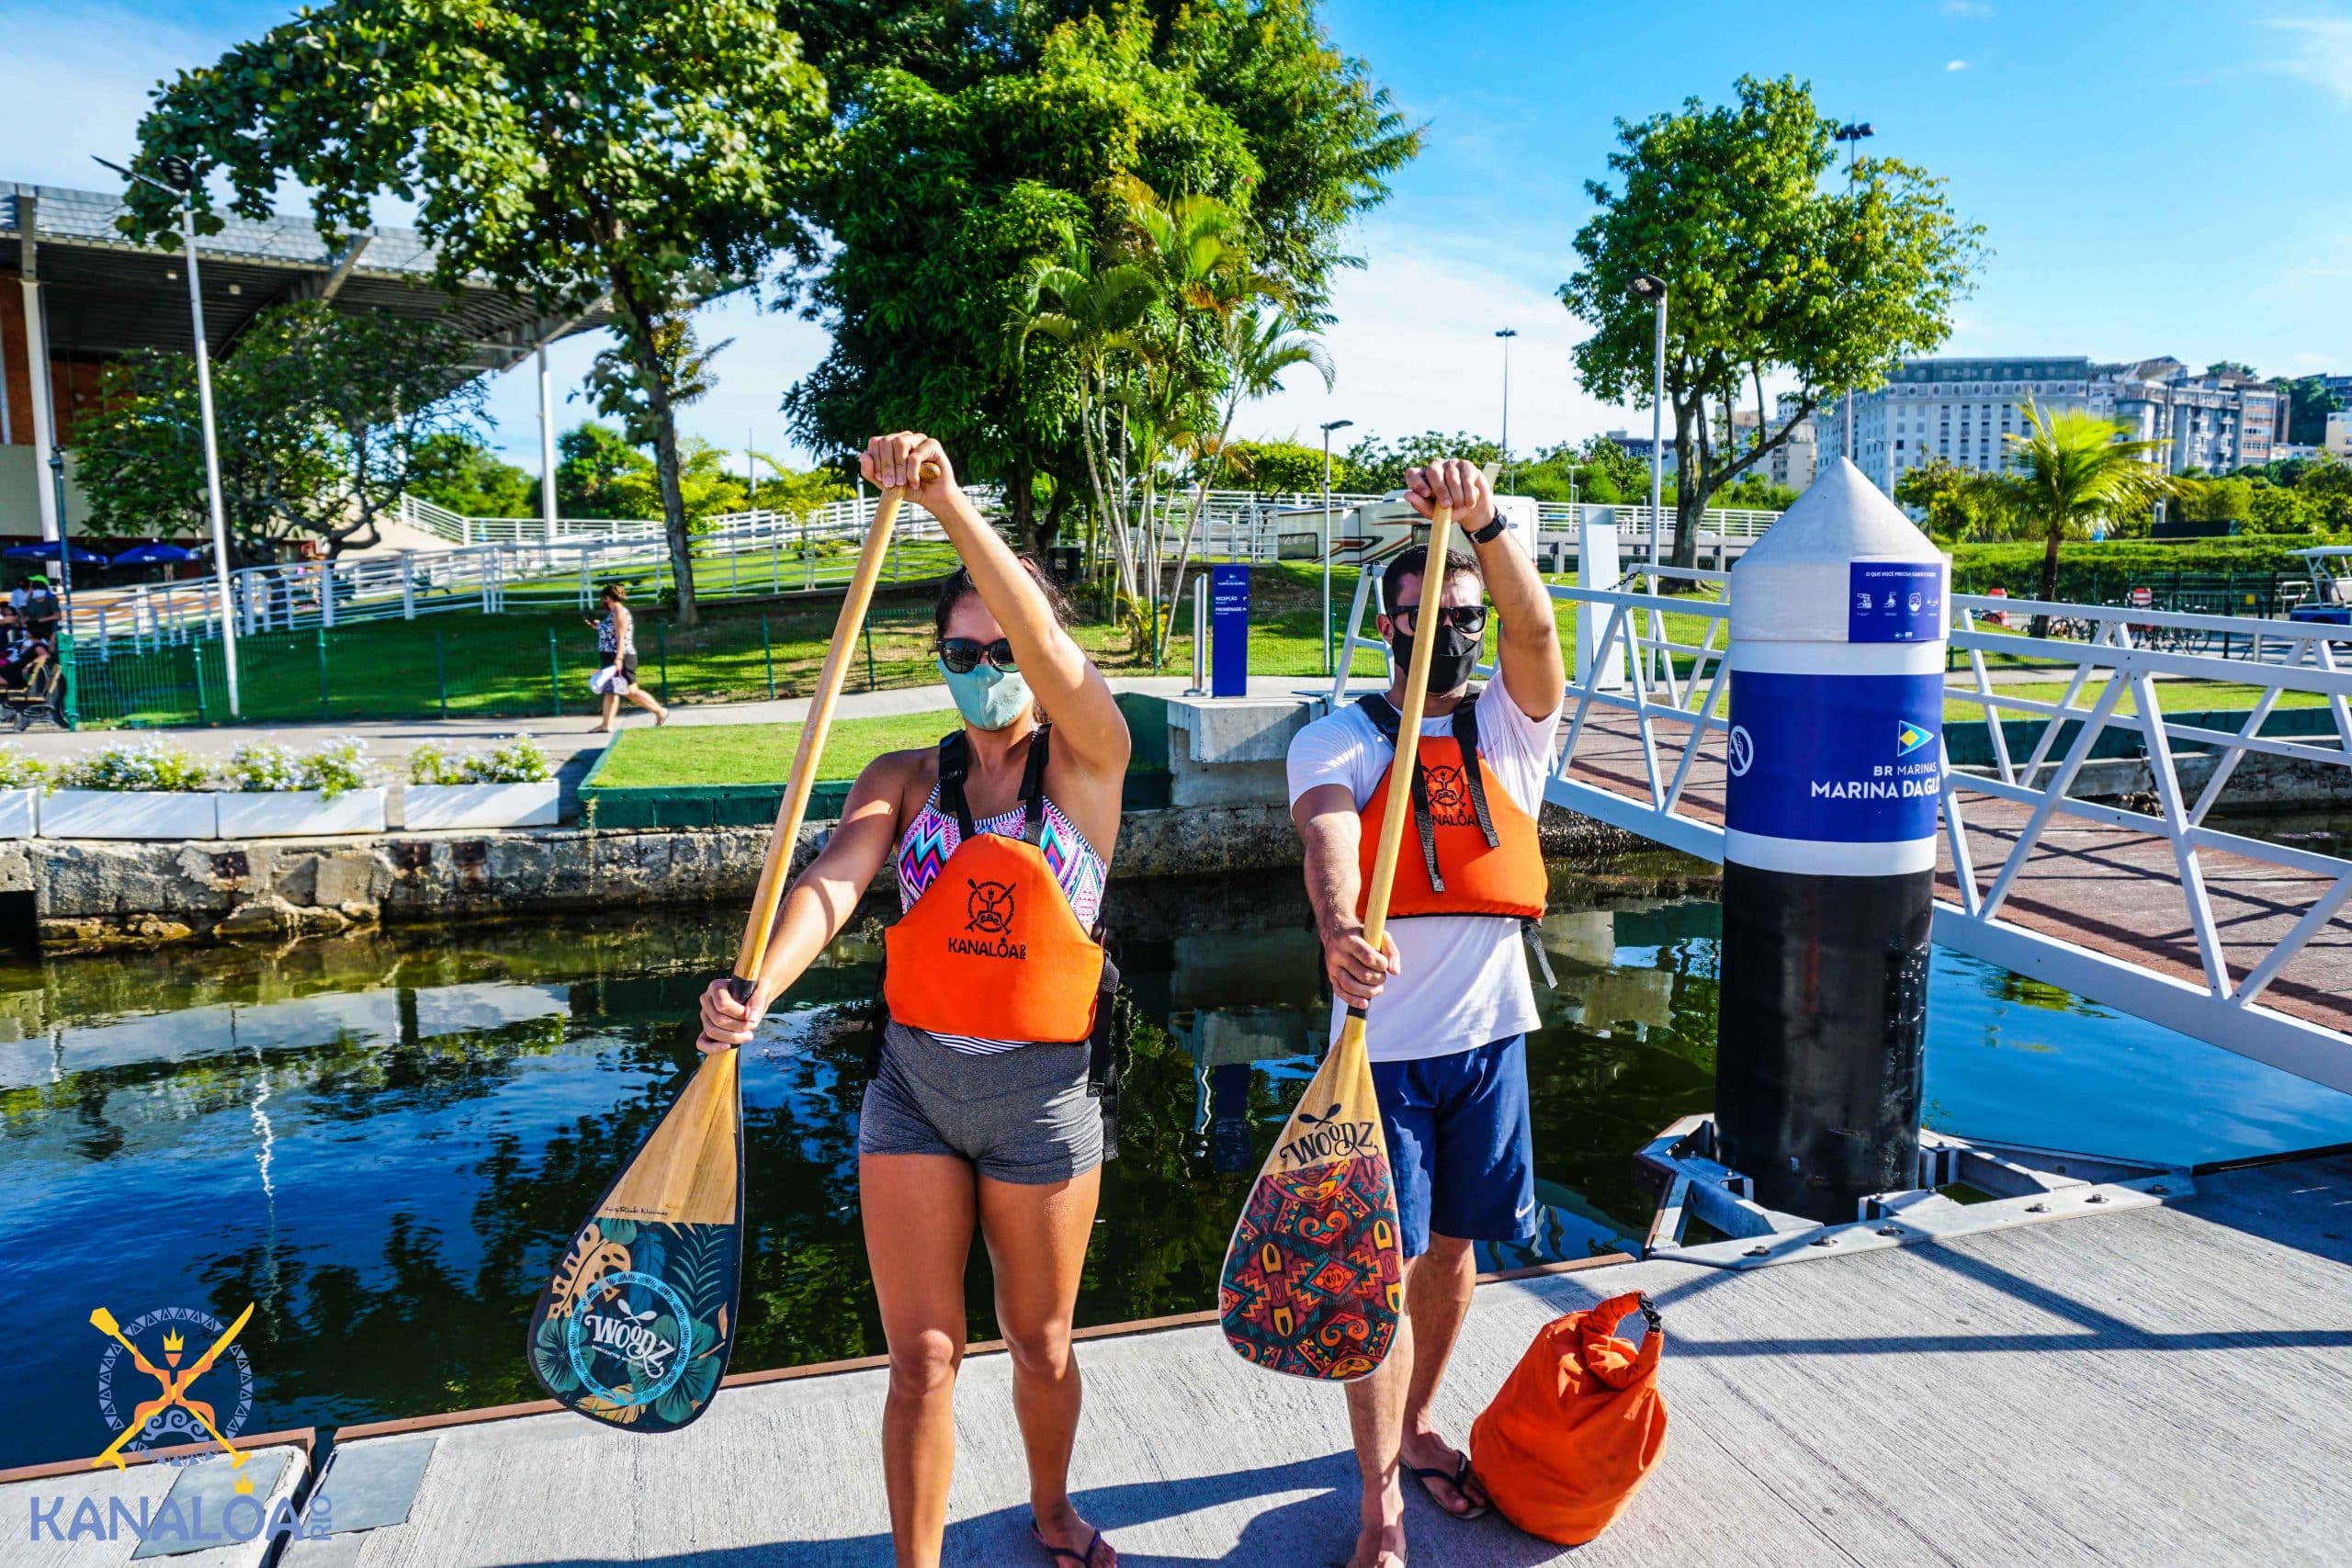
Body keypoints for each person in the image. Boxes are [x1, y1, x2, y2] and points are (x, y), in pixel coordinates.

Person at [697, 432, 1132, 1568]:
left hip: (1043, 1101)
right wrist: (757, 986)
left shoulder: (1088, 757)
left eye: (1003, 643)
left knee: (1038, 1344)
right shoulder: (904, 777)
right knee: (921, 1356)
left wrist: (946, 506)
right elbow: (833, 883)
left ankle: (1048, 1508)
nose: (983, 662)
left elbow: (1042, 645)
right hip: (914, 1093)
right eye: (960, 647)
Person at [1283, 458, 1565, 1568]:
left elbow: (1537, 637)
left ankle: (1411, 1429)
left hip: (1490, 1045)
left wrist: (1483, 523)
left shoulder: (1510, 728)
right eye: (1422, 616)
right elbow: (1326, 835)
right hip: (1381, 1057)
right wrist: (1341, 927)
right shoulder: (1340, 737)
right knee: (1372, 1272)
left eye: (1460, 612)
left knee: (1454, 1253)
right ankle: (1375, 1504)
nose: (1444, 629)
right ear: (1391, 628)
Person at [584, 582, 669, 732]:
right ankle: (606, 725)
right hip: (610, 656)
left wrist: (619, 659)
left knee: (630, 691)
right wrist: (598, 626)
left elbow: (621, 637)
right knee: (610, 691)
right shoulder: (613, 613)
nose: (602, 602)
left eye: (603, 599)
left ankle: (660, 711)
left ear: (607, 598)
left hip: (620, 656)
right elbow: (611, 632)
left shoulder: (619, 612)